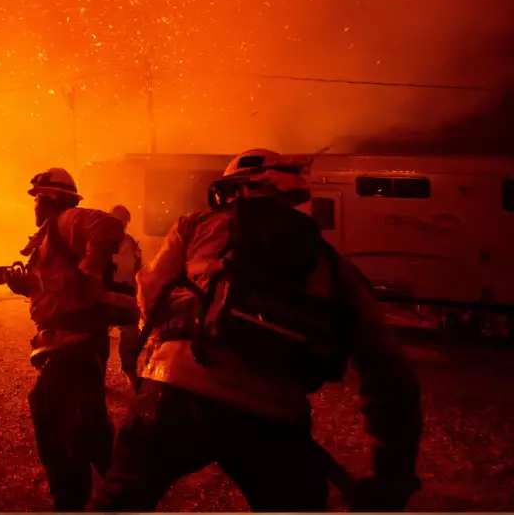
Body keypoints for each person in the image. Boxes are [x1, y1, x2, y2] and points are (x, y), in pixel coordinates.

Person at [88, 149, 423, 512]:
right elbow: (389, 370)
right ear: (289, 195)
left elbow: (150, 294)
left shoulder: (197, 225)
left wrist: (158, 359)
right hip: (273, 417)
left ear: (237, 190)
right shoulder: (330, 262)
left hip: (177, 392)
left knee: (118, 502)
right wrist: (392, 472)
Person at [2, 167, 138, 511]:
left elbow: (108, 226)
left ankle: (70, 500)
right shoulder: (51, 238)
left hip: (76, 341)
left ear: (48, 198)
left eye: (36, 198)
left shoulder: (68, 220)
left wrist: (91, 273)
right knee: (90, 423)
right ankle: (123, 492)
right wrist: (23, 283)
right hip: (74, 340)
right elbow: (57, 287)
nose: (33, 206)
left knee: (48, 408)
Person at [107, 204, 145, 389]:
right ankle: (94, 378)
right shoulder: (99, 241)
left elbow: (138, 270)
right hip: (104, 295)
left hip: (126, 296)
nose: (120, 224)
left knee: (130, 336)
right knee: (96, 339)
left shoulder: (130, 243)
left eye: (123, 221)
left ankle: (130, 371)